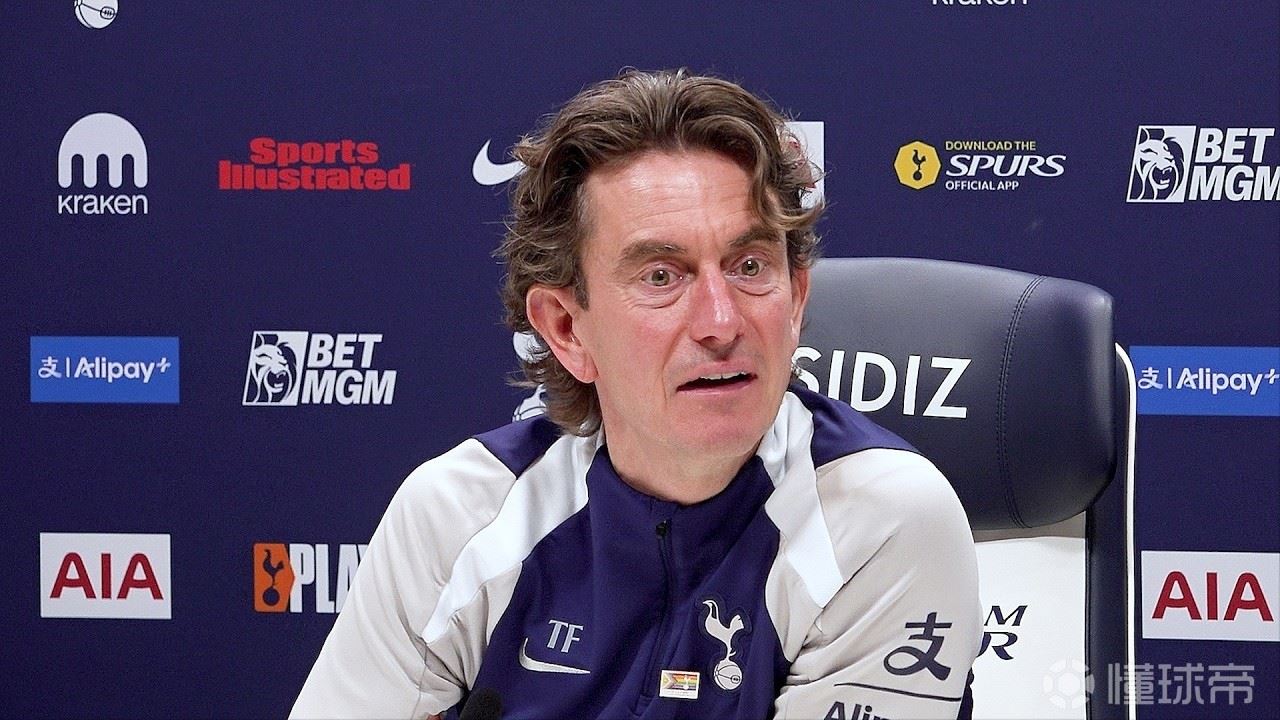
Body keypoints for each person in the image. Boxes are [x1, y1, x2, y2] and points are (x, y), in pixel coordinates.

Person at [291, 69, 981, 720]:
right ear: (566, 329)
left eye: (749, 266)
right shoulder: (459, 515)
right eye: (661, 276)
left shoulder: (880, 519)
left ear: (796, 300)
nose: (721, 322)